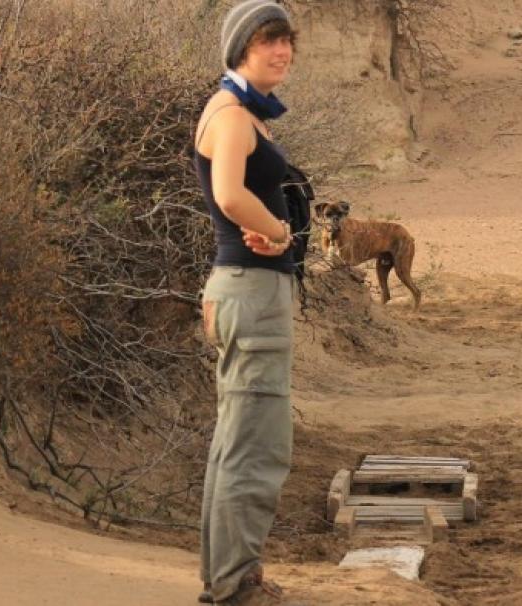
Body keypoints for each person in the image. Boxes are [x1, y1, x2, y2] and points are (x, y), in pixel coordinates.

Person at [192, 1, 303, 604]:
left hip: (245, 290)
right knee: (256, 442)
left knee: (237, 439)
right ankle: (235, 585)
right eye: (268, 42)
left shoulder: (240, 111)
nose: (281, 52)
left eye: (286, 42)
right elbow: (231, 195)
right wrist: (280, 232)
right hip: (251, 291)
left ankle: (229, 577)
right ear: (240, 49)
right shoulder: (232, 114)